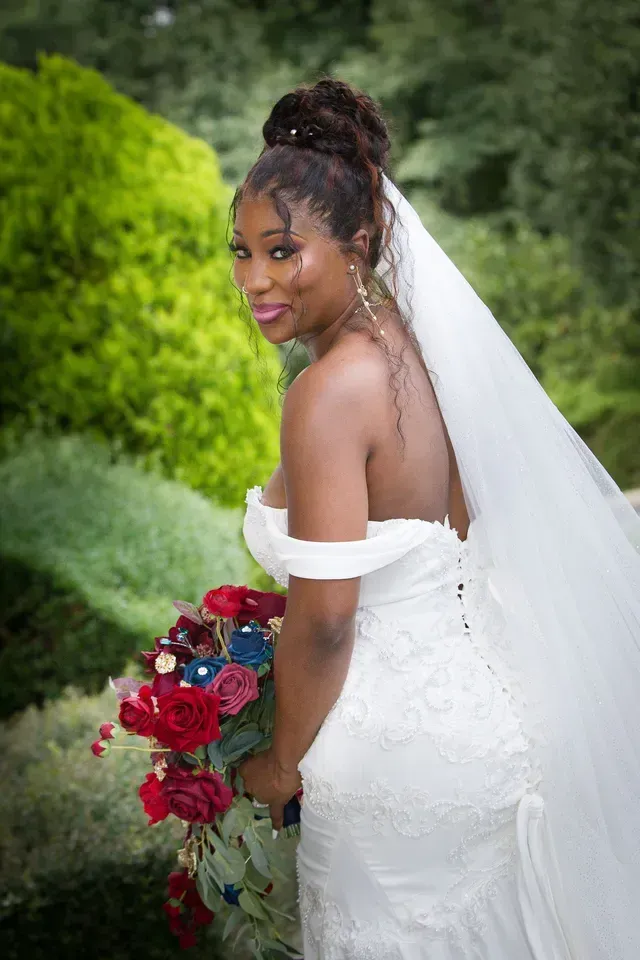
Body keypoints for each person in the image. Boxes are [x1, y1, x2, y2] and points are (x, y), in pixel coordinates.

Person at [238, 79, 640, 959]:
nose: (256, 280)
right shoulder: (424, 357)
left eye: (282, 250)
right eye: (241, 252)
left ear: (360, 242)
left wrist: (277, 764)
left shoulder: (328, 394)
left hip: (387, 763)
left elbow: (330, 619)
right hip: (491, 727)